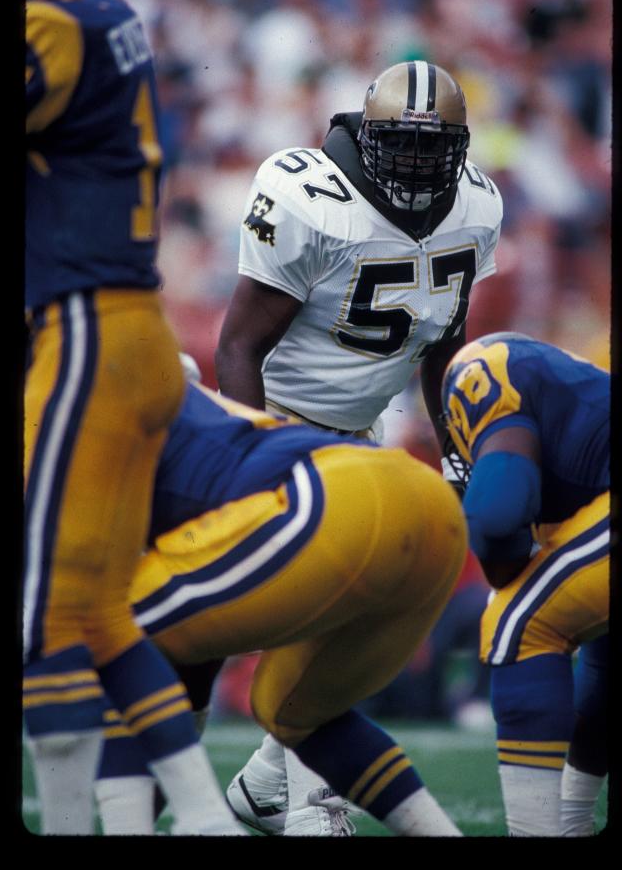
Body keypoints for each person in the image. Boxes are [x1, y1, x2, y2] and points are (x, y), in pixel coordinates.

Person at [214, 59, 503, 829]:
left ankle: (267, 783)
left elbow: (447, 338)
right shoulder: (314, 201)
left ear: (460, 147)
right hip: (277, 419)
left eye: (430, 146)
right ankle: (307, 798)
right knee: (319, 608)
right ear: (365, 137)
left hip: (360, 434)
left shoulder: (476, 203)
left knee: (371, 611)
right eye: (399, 145)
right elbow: (238, 347)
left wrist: (456, 446)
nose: (413, 162)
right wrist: (253, 459)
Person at [24, 0, 242, 835]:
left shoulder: (57, 27)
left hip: (86, 328)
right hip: (133, 327)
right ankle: (204, 817)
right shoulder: (103, 15)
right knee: (104, 617)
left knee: (49, 621)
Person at [93, 364, 468, 836]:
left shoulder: (79, 414)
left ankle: (199, 821)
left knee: (116, 638)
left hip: (335, 501)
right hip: (423, 500)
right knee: (293, 711)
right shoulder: (165, 399)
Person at [440, 332, 610, 836]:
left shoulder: (477, 375)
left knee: (519, 621)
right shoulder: (567, 399)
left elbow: (495, 515)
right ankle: (574, 821)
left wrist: (504, 569)